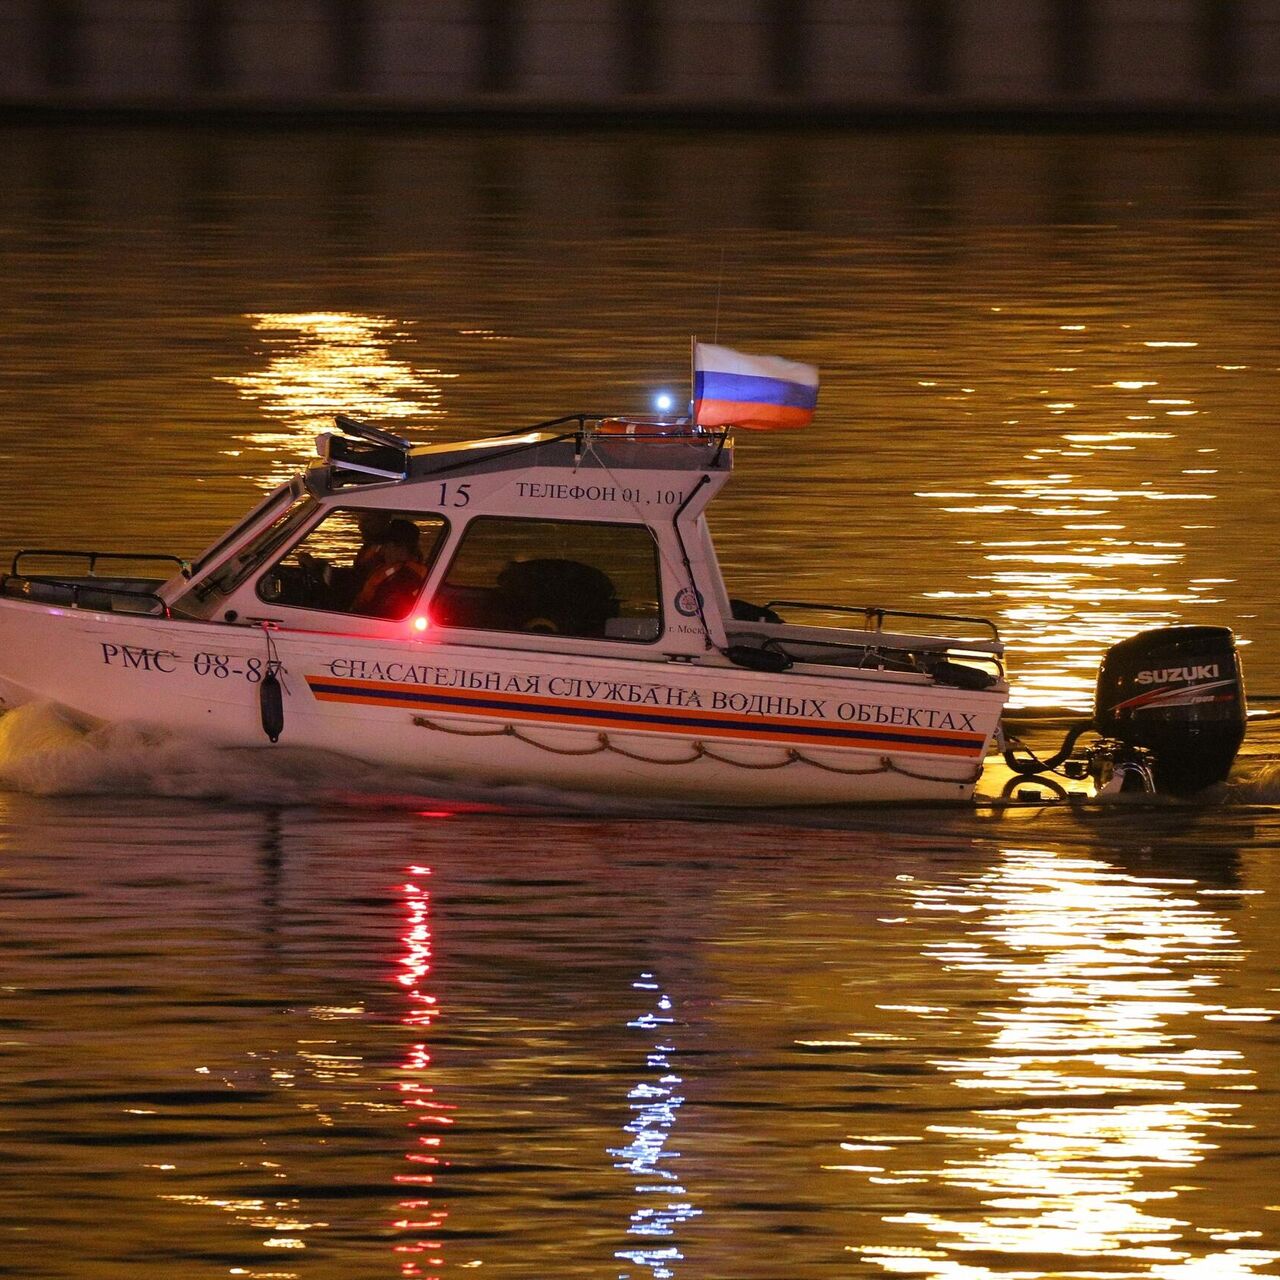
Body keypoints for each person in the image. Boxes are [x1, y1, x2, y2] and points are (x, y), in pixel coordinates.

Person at [351, 519, 427, 617]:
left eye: (384, 545)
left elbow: (383, 612)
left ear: (397, 547)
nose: (382, 551)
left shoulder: (408, 577)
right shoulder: (387, 568)